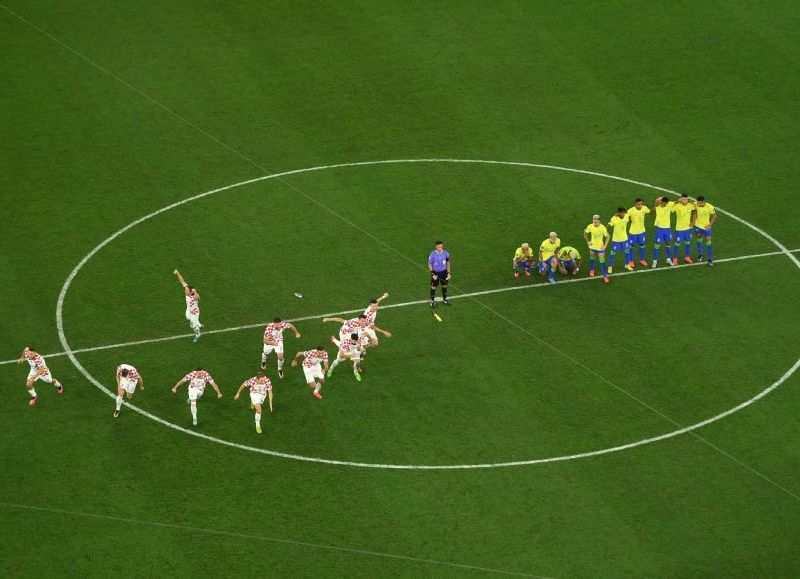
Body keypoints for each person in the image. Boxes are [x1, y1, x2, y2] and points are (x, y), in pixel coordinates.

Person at [173, 269, 202, 342]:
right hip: (189, 310)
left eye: (187, 289)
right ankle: (198, 324)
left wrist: (195, 292)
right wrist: (177, 273)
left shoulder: (194, 297)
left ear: (191, 291)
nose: (185, 290)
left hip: (195, 313)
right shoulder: (187, 291)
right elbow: (182, 281)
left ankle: (198, 335)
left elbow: (198, 298)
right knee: (187, 317)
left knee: (194, 327)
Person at [583, 215, 610, 284]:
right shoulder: (590, 226)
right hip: (592, 247)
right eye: (594, 219)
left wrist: (605, 246)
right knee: (592, 258)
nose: (595, 220)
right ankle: (592, 270)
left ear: (599, 220)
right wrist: (588, 241)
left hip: (600, 248)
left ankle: (605, 276)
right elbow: (585, 233)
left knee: (602, 262)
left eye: (597, 219)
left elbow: (608, 237)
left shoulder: (603, 228)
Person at [607, 208, 634, 273]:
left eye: (623, 213)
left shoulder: (626, 217)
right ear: (618, 213)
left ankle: (627, 265)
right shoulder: (614, 218)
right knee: (612, 253)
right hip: (616, 240)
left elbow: (629, 220)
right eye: (621, 213)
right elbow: (608, 225)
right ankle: (610, 267)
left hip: (625, 239)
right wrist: (606, 233)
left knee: (627, 252)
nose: (622, 214)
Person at [626, 198, 651, 266]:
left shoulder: (644, 208)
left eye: (641, 204)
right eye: (638, 204)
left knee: (642, 245)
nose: (640, 206)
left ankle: (642, 259)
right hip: (633, 232)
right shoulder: (631, 210)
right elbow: (625, 217)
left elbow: (649, 211)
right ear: (635, 204)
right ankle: (631, 261)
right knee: (631, 246)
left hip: (642, 231)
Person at [652, 197, 675, 268]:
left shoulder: (669, 206)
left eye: (665, 203)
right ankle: (654, 261)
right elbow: (655, 203)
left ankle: (668, 259)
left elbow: (677, 202)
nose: (663, 204)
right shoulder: (657, 208)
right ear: (660, 202)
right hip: (659, 229)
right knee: (657, 244)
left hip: (667, 229)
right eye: (662, 203)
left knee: (668, 243)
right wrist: (659, 199)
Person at [673, 193, 696, 264]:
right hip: (679, 229)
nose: (685, 201)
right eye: (683, 199)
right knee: (677, 243)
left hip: (688, 229)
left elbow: (696, 209)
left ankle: (687, 257)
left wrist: (693, 222)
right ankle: (675, 258)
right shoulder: (676, 206)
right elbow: (669, 207)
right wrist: (677, 201)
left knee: (688, 243)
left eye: (686, 199)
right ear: (681, 199)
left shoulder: (690, 205)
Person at [694, 195, 717, 266]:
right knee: (699, 239)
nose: (698, 204)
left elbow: (714, 216)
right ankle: (700, 254)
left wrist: (710, 225)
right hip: (698, 226)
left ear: (704, 202)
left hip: (706, 227)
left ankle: (710, 259)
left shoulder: (710, 207)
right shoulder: (696, 204)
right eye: (697, 202)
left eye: (699, 203)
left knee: (708, 241)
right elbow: (690, 203)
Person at [428, 241, 451, 307]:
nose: (440, 248)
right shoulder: (432, 254)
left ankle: (445, 300)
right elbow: (429, 264)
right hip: (435, 273)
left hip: (444, 272)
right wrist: (432, 274)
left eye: (441, 247)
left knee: (445, 286)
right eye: (439, 247)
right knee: (433, 287)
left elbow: (448, 263)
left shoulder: (445, 253)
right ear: (436, 247)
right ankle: (432, 301)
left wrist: (449, 272)